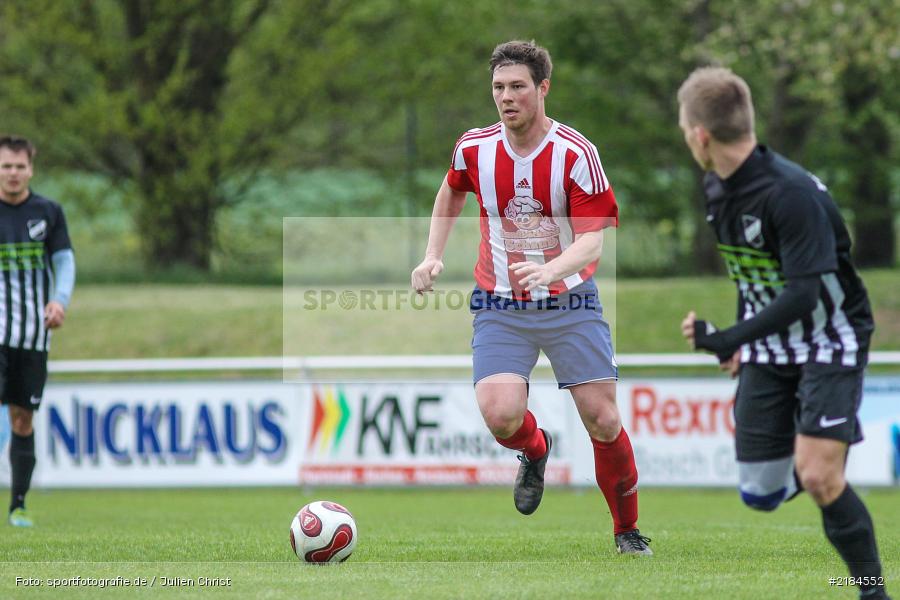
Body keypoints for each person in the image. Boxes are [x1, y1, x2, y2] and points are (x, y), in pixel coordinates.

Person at [411, 40, 651, 555]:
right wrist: (432, 254)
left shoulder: (576, 153)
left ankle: (626, 532)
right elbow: (452, 189)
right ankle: (535, 450)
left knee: (604, 420)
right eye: (498, 87)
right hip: (500, 304)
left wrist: (551, 271)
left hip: (570, 303)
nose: (506, 96)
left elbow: (592, 239)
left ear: (542, 88)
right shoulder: (473, 147)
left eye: (518, 86)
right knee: (500, 416)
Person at [677, 67, 889, 599]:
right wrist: (744, 339)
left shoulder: (790, 194)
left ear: (701, 134)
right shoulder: (715, 187)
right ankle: (818, 444)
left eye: (685, 129)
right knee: (760, 492)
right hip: (768, 347)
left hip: (829, 337)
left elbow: (804, 295)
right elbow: (751, 272)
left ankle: (873, 590)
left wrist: (728, 337)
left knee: (818, 477)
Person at [0, 135, 76, 527]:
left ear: (30, 168)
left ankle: (18, 506)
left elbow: (64, 261)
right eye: (5, 166)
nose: (12, 173)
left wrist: (59, 299)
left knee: (22, 420)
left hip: (32, 334)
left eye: (19, 166)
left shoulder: (48, 211)